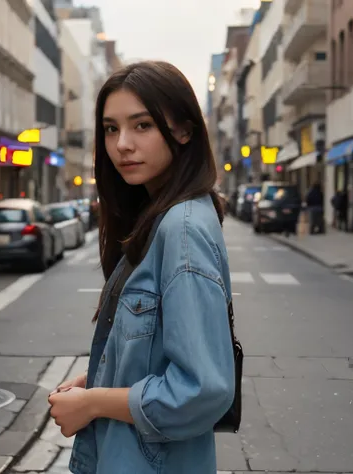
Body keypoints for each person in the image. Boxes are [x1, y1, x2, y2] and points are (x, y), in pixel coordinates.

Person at [48, 61, 236, 474]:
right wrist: (99, 380)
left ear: (184, 130)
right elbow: (157, 354)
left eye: (142, 125)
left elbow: (202, 389)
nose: (122, 145)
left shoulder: (181, 228)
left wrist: (95, 403)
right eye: (111, 129)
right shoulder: (159, 218)